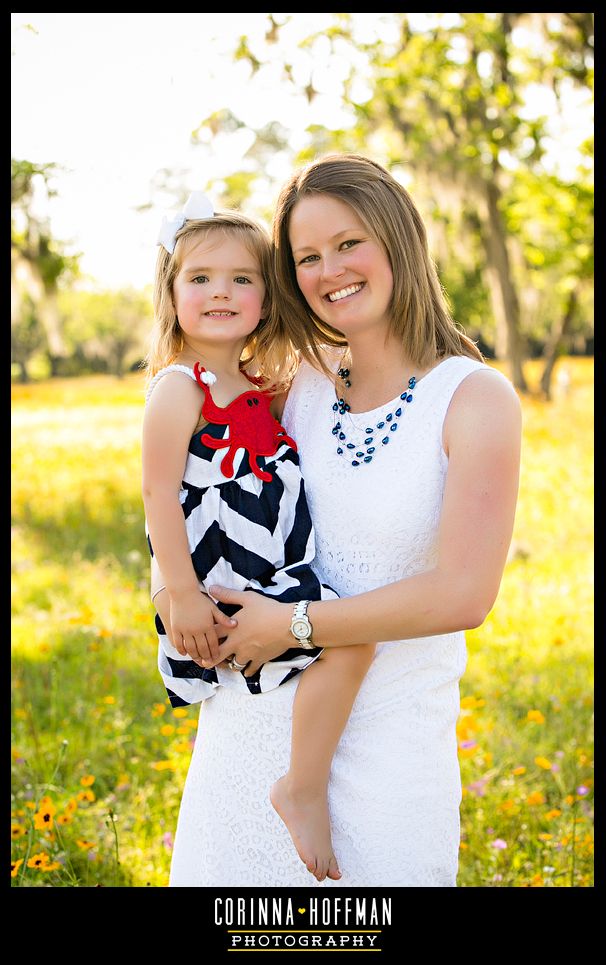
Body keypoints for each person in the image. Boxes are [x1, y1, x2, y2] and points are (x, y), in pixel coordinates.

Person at [158, 153, 522, 888]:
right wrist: (173, 586)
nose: (330, 271)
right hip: (251, 727)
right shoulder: (300, 385)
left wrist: (292, 626)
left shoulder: (475, 398)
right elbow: (194, 487)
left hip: (390, 749)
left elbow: (464, 595)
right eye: (307, 257)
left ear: (398, 239)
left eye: (348, 243)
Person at [142, 192, 376, 884]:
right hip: (220, 587)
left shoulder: (259, 385)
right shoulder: (179, 389)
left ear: (267, 296)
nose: (223, 292)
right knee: (352, 637)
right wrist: (176, 593)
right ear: (173, 292)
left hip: (271, 574)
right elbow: (157, 494)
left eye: (243, 279)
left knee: (349, 636)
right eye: (202, 278)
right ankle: (301, 788)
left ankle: (301, 780)